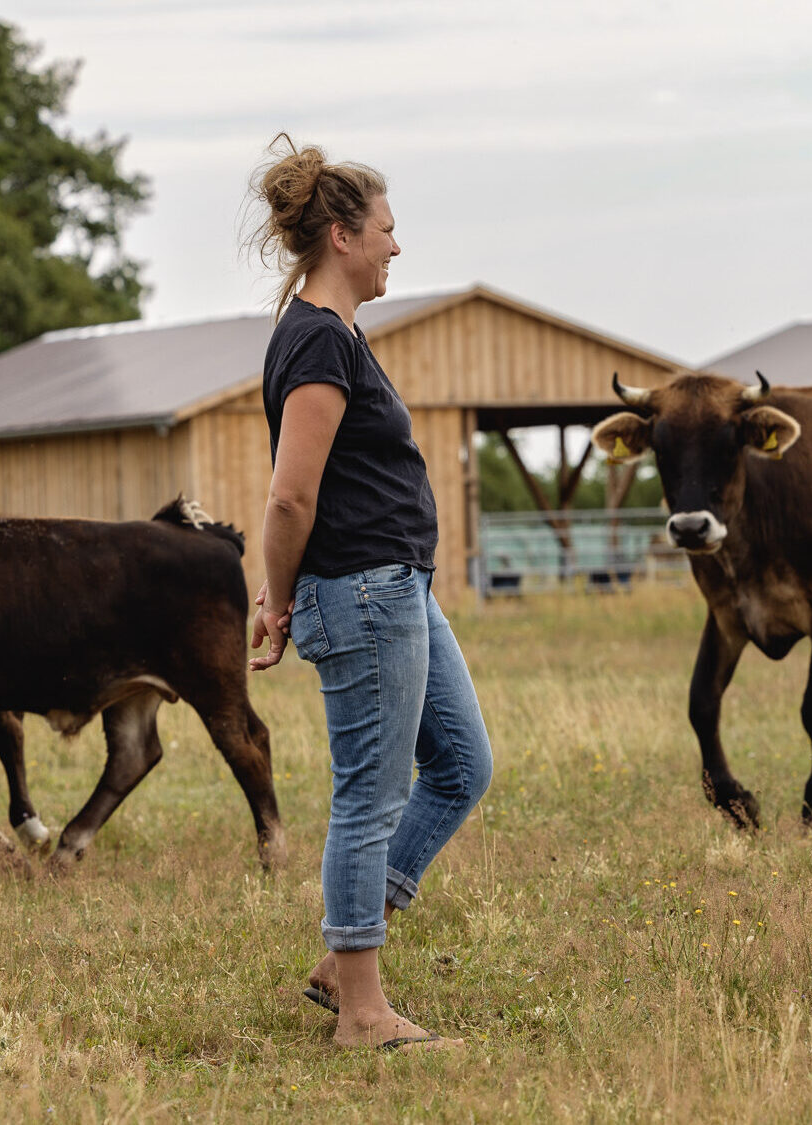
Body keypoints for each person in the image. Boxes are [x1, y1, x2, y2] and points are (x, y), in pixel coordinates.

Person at [246, 136, 492, 1051]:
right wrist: (277, 600)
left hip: (398, 587)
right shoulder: (314, 336)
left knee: (463, 764)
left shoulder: (338, 334)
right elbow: (290, 493)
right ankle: (361, 1009)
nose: (397, 247)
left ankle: (340, 963)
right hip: (361, 592)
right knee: (369, 797)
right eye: (387, 230)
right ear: (343, 235)